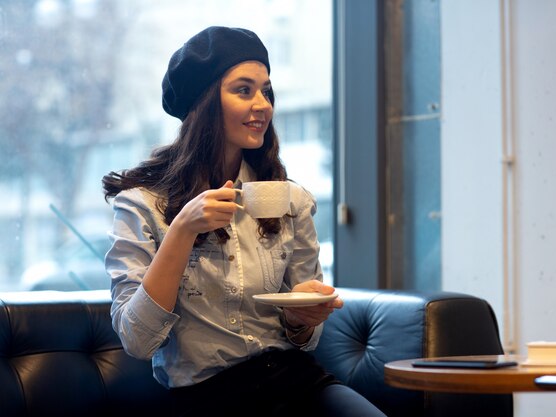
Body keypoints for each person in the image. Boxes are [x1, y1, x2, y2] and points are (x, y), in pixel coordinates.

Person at [102, 26, 386, 417]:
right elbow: (136, 340)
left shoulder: (291, 200)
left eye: (266, 91)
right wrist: (183, 229)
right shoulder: (142, 205)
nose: (263, 104)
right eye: (244, 90)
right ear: (204, 102)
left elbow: (306, 339)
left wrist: (301, 318)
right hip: (207, 396)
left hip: (295, 379)